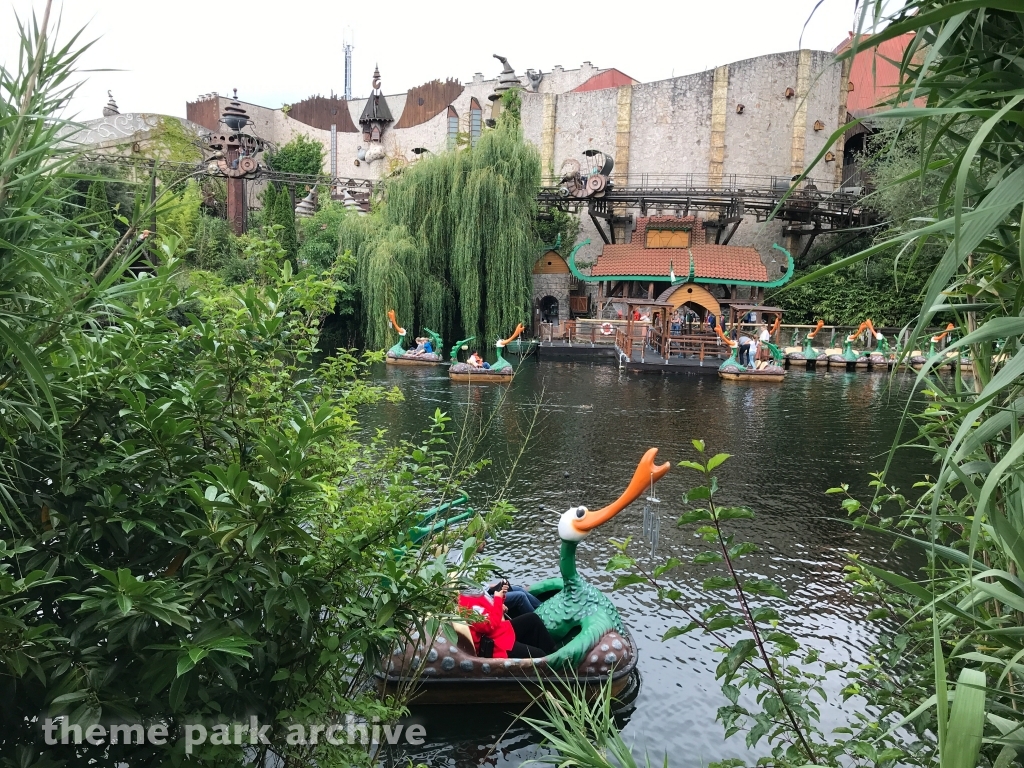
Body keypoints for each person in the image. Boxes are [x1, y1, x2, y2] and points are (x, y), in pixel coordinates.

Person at [458, 584, 555, 658]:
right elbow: (489, 626)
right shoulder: (467, 604)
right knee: (539, 654)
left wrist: (501, 597)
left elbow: (491, 611)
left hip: (500, 632)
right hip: (495, 644)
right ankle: (552, 663)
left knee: (532, 619)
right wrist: (498, 599)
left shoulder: (473, 595)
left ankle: (554, 652)